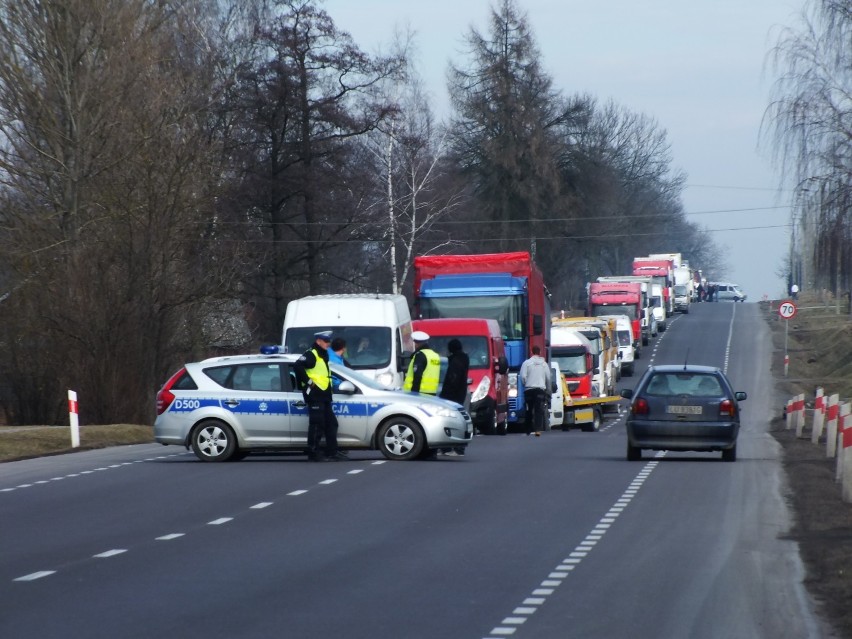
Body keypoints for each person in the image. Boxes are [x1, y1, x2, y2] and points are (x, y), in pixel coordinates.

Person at [293, 330, 346, 462]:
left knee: (331, 424)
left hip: (324, 394)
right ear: (318, 341)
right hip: (315, 395)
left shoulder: (323, 354)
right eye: (326, 341)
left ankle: (332, 452)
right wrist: (309, 382)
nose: (328, 344)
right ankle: (314, 453)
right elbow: (297, 366)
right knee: (317, 424)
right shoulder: (312, 354)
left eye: (329, 341)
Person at [439, 338, 469, 456]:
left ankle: (456, 448)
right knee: (458, 420)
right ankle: (452, 448)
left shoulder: (455, 361)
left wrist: (445, 394)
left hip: (451, 395)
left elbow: (453, 379)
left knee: (452, 421)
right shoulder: (464, 358)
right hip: (460, 394)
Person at [520, 345, 550, 435]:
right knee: (539, 410)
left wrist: (525, 383)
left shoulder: (526, 363)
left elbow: (522, 376)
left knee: (529, 410)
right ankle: (537, 429)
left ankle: (528, 430)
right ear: (540, 352)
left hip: (529, 390)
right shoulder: (544, 364)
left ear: (531, 352)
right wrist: (548, 389)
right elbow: (548, 377)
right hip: (540, 390)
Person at [403, 331, 441, 395]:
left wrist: (414, 393)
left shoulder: (420, 355)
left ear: (416, 343)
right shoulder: (435, 355)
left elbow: (417, 376)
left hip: (419, 393)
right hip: (432, 393)